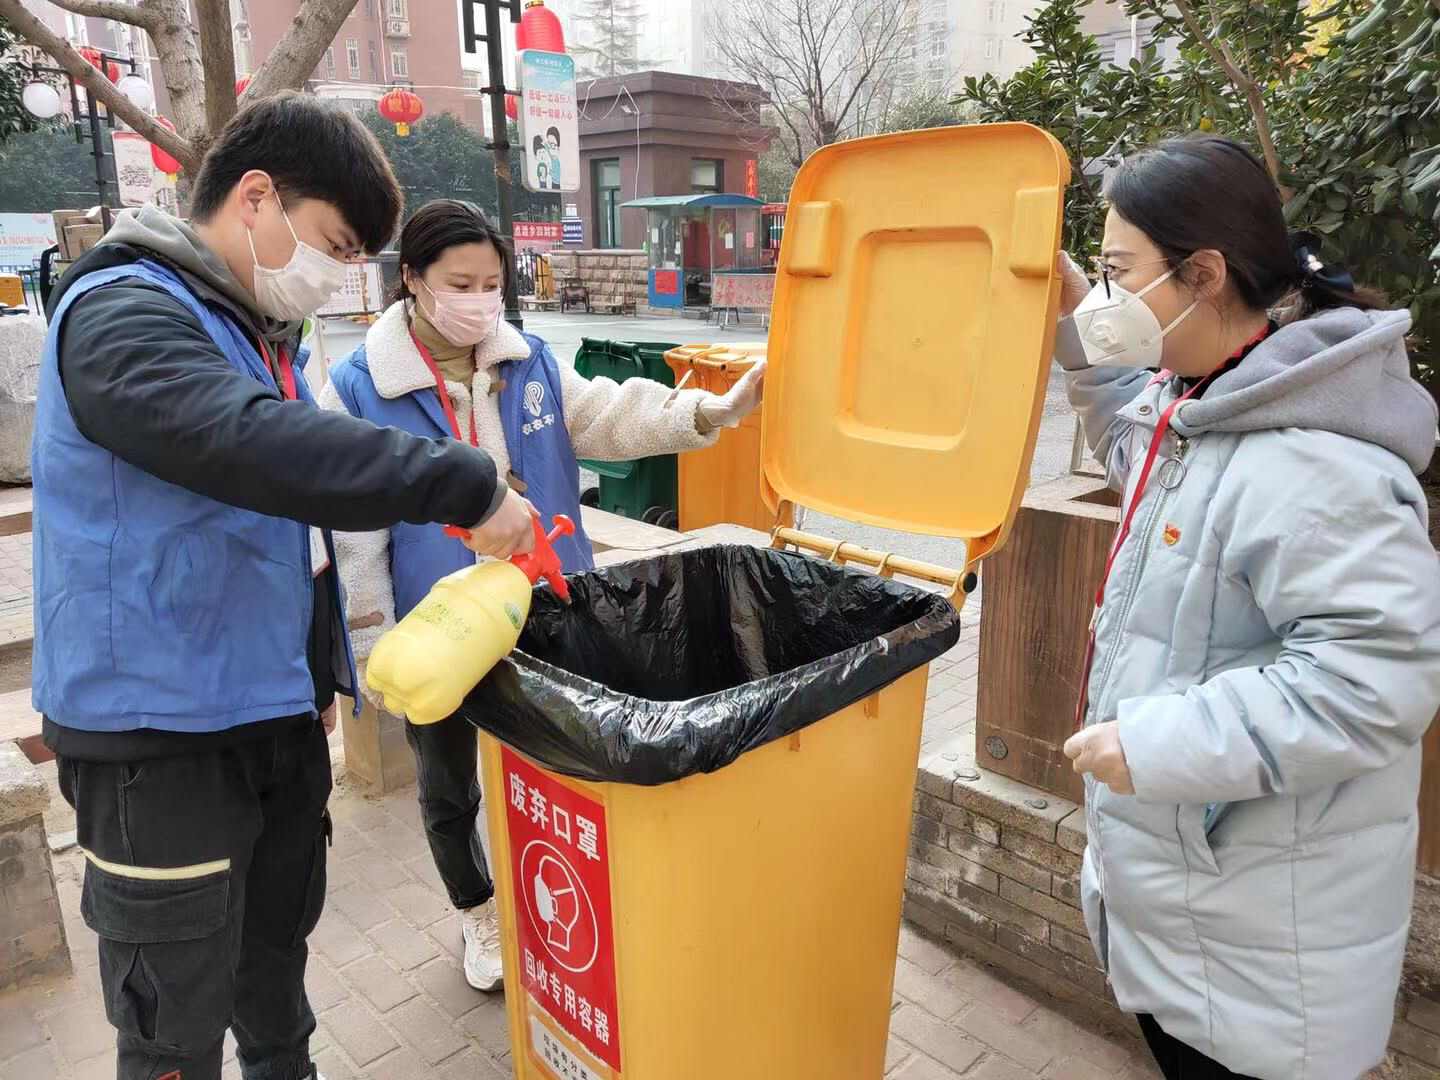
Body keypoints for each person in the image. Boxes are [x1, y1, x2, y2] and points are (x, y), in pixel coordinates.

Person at [34, 94, 535, 1080]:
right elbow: (256, 448)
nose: (341, 276)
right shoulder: (119, 314)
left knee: (276, 983)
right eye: (335, 243)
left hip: (271, 722)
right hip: (158, 746)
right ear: (257, 197)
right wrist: (467, 481)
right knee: (172, 1026)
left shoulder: (257, 330)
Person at [1056, 135, 1440, 1079]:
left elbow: (1373, 682)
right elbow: (1131, 435)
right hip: (1204, 911)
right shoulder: (1204, 402)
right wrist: (1076, 315)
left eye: (1119, 271)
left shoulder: (1318, 460)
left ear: (1204, 273)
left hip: (1268, 947)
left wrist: (1152, 744)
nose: (1106, 295)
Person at [319, 198, 763, 992]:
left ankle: (568, 896)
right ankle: (478, 912)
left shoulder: (527, 361)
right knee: (449, 782)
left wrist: (712, 411)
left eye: (493, 282)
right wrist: (372, 644)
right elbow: (354, 538)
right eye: (461, 282)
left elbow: (608, 414)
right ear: (412, 280)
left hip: (546, 601)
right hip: (440, 622)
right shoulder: (360, 387)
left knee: (559, 762)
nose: (480, 298)